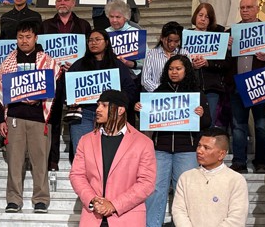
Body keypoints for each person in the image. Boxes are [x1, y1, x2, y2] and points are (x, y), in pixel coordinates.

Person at [0, 21, 61, 213]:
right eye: (20, 37)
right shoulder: (8, 62)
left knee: (40, 162)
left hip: (39, 118)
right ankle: (13, 200)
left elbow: (57, 91)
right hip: (15, 116)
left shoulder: (48, 62)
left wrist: (40, 101)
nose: (24, 41)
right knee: (14, 161)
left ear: (36, 38)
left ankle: (41, 199)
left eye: (28, 37)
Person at [136, 55, 212, 227]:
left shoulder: (196, 93)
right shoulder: (158, 92)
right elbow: (148, 119)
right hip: (160, 148)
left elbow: (207, 122)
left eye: (178, 68)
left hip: (187, 149)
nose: (174, 72)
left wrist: (201, 114)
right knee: (155, 190)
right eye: (171, 69)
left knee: (184, 190)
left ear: (187, 70)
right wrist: (139, 110)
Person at [70, 90, 156, 226]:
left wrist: (114, 205)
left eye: (104, 106)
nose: (98, 109)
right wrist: (92, 200)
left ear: (120, 110)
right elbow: (77, 175)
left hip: (127, 218)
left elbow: (146, 183)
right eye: (98, 105)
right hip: (93, 217)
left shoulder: (143, 143)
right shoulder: (85, 140)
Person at [42, 0, 92, 170]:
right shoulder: (45, 25)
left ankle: (76, 159)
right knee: (53, 119)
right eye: (59, 0)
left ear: (73, 2)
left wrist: (77, 66)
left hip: (75, 78)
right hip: (52, 78)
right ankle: (52, 160)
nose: (62, 3)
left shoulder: (84, 25)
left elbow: (90, 52)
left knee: (77, 118)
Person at [67, 29, 136, 152]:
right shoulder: (78, 65)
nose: (93, 43)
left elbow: (130, 89)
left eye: (97, 39)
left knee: (109, 154)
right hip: (84, 115)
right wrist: (69, 100)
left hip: (110, 115)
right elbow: (66, 90)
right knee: (82, 153)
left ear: (107, 42)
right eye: (90, 40)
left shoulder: (117, 65)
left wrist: (117, 101)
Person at [227, 0, 265, 173]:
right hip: (237, 87)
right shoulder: (232, 32)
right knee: (238, 127)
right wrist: (228, 49)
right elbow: (224, 61)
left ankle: (261, 162)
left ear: (257, 9)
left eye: (248, 7)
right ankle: (239, 162)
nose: (245, 10)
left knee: (261, 127)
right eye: (242, 7)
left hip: (259, 86)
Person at [172, 128, 248, 226]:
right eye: (199, 146)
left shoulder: (236, 180)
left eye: (206, 148)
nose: (199, 151)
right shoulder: (186, 177)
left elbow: (237, 218)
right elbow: (179, 211)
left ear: (221, 154)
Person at [189, 3, 228, 124]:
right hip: (192, 87)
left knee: (209, 122)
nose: (203, 19)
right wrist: (191, 66)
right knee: (193, 122)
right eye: (200, 15)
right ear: (195, 16)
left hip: (212, 88)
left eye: (207, 17)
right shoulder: (185, 35)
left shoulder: (218, 36)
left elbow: (224, 64)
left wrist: (208, 63)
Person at [141, 21, 189, 92]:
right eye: (169, 41)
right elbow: (145, 80)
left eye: (176, 41)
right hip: (156, 94)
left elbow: (189, 77)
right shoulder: (151, 54)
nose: (172, 44)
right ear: (162, 38)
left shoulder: (184, 53)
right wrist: (162, 90)